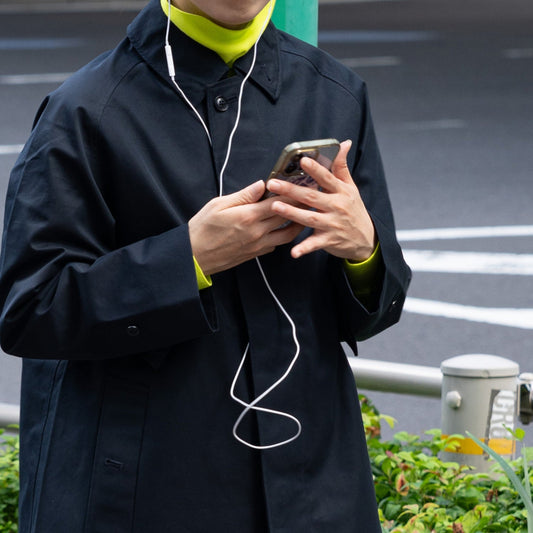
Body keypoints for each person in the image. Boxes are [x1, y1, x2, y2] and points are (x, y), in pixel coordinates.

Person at [0, 0, 411, 531]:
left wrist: (363, 250)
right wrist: (188, 257)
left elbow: (377, 307)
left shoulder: (335, 93)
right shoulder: (85, 109)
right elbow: (31, 308)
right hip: (145, 494)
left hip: (315, 493)